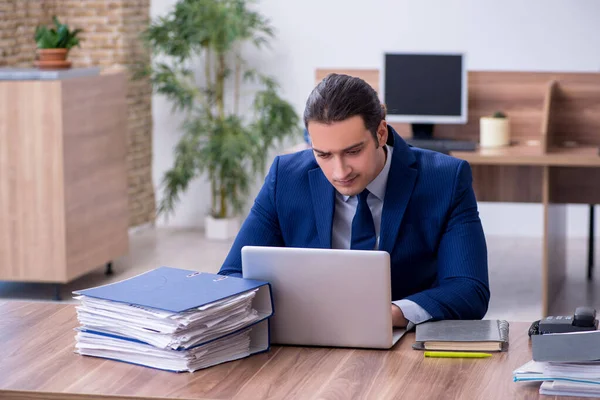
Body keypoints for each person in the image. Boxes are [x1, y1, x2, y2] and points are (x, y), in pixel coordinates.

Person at [219, 73, 490, 329]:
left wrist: (389, 315)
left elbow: (469, 289)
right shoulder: (286, 177)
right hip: (307, 339)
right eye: (323, 155)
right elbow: (231, 276)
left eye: (353, 151)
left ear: (381, 133)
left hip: (402, 345)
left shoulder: (446, 179)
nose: (340, 172)